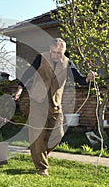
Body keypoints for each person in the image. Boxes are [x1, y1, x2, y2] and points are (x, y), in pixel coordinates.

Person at [13, 38, 96, 176]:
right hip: (38, 101)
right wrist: (19, 90)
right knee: (38, 135)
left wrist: (88, 78)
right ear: (50, 49)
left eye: (59, 53)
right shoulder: (41, 58)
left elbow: (79, 79)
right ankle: (41, 167)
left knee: (58, 134)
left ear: (64, 51)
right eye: (54, 52)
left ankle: (39, 153)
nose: (56, 55)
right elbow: (28, 73)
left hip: (55, 103)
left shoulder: (67, 63)